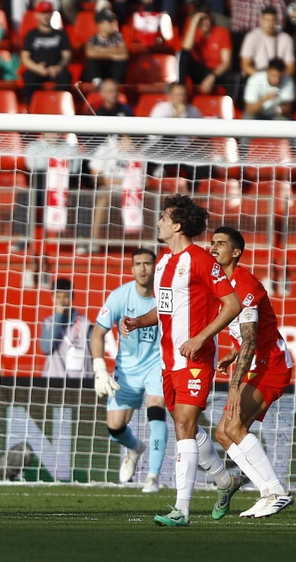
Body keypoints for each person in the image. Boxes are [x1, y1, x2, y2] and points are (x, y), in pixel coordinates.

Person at [120, 194, 248, 527]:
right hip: (167, 360)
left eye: (164, 217)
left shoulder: (203, 261)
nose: (159, 221)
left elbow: (232, 305)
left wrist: (202, 337)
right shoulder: (163, 262)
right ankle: (225, 481)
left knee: (184, 428)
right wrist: (136, 321)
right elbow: (163, 311)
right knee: (185, 429)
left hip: (196, 356)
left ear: (177, 225)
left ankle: (182, 509)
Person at [207, 226, 296, 516]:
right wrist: (232, 353)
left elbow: (251, 338)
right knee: (223, 433)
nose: (213, 248)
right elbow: (244, 337)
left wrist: (233, 385)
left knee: (233, 427)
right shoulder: (219, 283)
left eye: (221, 244)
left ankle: (276, 492)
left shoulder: (245, 286)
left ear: (236, 252)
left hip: (271, 365)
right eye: (212, 243)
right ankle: (267, 492)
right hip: (256, 362)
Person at [91, 249, 167, 491]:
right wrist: (100, 370)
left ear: (155, 267)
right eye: (137, 264)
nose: (142, 268)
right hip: (127, 369)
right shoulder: (119, 296)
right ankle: (135, 449)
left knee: (156, 413)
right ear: (132, 268)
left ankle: (153, 477)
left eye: (147, 263)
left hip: (158, 364)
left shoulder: (164, 296)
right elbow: (97, 332)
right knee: (114, 427)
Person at [39, 277, 92, 381]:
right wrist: (58, 315)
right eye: (58, 297)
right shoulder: (49, 322)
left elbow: (94, 352)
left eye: (65, 296)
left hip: (79, 381)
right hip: (54, 381)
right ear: (52, 297)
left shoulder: (84, 323)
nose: (62, 301)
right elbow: (46, 348)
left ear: (72, 297)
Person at [20, 0, 72, 100]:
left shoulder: (61, 34)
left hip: (56, 69)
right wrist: (37, 68)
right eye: (43, 13)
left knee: (65, 77)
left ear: (52, 14)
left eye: (48, 12)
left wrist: (59, 67)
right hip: (37, 69)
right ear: (37, 15)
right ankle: (30, 109)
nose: (46, 16)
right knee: (29, 78)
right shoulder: (31, 35)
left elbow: (67, 55)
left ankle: (59, 105)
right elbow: (25, 57)